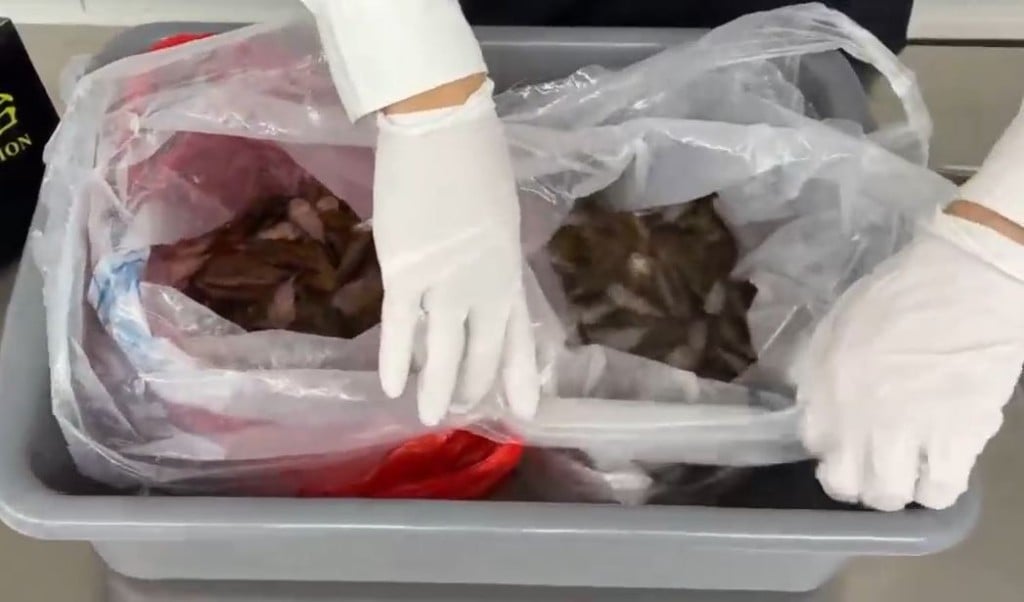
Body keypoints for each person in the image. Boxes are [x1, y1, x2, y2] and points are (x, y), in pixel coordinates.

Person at [296, 0, 1024, 511]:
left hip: (785, 27)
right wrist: (425, 92)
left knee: (783, 105)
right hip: (473, 20)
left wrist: (996, 245)